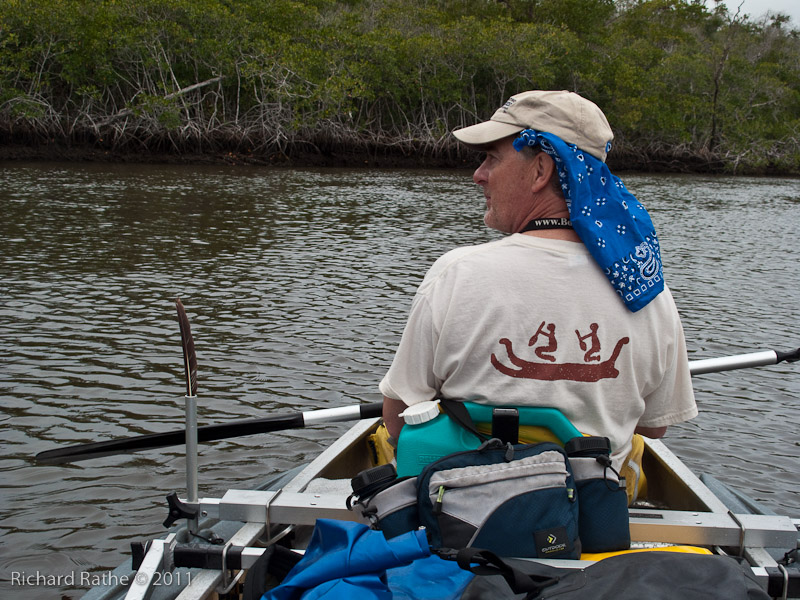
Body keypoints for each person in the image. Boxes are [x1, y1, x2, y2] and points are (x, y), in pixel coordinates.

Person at [379, 90, 697, 478]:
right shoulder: (648, 290)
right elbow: (654, 427)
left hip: (465, 508)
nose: (478, 174)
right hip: (591, 517)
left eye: (492, 158)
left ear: (541, 170)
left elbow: (396, 420)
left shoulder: (457, 273)